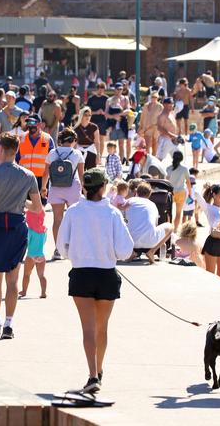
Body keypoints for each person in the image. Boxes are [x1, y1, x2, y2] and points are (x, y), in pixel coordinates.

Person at [57, 168, 134, 394]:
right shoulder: (112, 213)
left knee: (88, 329)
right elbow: (125, 249)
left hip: (81, 273)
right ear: (103, 188)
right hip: (106, 273)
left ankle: (92, 374)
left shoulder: (73, 212)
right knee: (102, 328)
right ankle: (99, 370)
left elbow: (62, 246)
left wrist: (75, 254)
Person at [0, 132, 42, 340]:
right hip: (16, 226)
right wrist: (23, 203)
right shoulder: (28, 175)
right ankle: (8, 324)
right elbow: (38, 208)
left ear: (1, 150)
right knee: (13, 280)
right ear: (17, 151)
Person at [41, 128, 84, 260]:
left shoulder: (52, 153)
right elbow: (82, 174)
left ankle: (58, 249)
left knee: (57, 219)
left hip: (56, 188)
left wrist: (43, 188)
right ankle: (74, 248)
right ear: (73, 141)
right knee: (75, 219)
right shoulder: (77, 154)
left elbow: (45, 174)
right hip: (73, 187)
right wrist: (84, 189)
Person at [125, 182, 174, 264]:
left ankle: (131, 252)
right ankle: (152, 251)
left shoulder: (129, 201)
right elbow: (154, 224)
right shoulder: (152, 204)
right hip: (150, 241)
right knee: (170, 226)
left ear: (136, 192)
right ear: (150, 194)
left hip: (131, 242)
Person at [196, 183, 220, 278]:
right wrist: (208, 187)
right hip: (213, 242)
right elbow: (196, 194)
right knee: (210, 275)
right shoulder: (208, 208)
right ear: (214, 195)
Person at [17, 114, 54, 201]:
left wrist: (45, 185)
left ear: (40, 124)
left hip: (42, 179)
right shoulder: (21, 138)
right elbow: (16, 158)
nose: (31, 125)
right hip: (24, 178)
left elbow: (52, 161)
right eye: (29, 122)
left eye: (33, 122)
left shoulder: (47, 139)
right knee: (24, 207)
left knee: (40, 208)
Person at [19, 198, 47, 299]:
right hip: (41, 255)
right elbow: (44, 242)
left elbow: (27, 242)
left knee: (26, 274)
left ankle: (24, 291)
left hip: (31, 255)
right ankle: (43, 292)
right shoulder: (44, 230)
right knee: (41, 275)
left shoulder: (30, 231)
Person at [166, 151, 192, 232]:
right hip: (181, 192)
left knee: (168, 212)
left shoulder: (168, 168)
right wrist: (190, 193)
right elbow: (188, 182)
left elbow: (166, 181)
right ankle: (175, 230)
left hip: (170, 192)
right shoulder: (185, 169)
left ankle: (168, 229)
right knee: (178, 213)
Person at [87, 82, 108, 159]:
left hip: (103, 121)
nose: (101, 90)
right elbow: (87, 111)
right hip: (93, 121)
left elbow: (109, 111)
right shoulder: (91, 99)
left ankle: (100, 156)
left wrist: (104, 113)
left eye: (102, 89)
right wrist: (96, 112)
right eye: (100, 88)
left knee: (102, 139)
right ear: (97, 89)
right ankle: (94, 156)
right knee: (94, 139)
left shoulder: (106, 98)